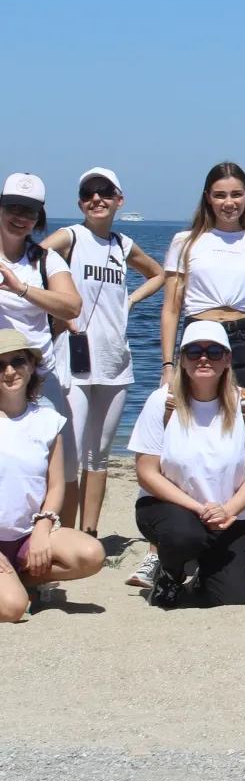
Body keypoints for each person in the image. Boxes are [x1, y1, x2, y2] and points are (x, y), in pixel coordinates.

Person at [129, 319, 245, 609]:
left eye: (214, 351)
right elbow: (146, 472)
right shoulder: (162, 402)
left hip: (228, 516)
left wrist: (228, 510)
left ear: (227, 358)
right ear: (182, 359)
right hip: (172, 509)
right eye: (194, 351)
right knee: (184, 535)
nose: (203, 358)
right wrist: (198, 508)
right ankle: (170, 573)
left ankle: (205, 574)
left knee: (233, 599)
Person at [41, 168, 165, 536]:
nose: (97, 199)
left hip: (115, 361)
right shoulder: (71, 237)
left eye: (105, 192)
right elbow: (33, 261)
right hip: (73, 360)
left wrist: (130, 301)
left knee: (99, 456)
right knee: (71, 455)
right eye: (88, 193)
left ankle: (88, 532)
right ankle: (63, 535)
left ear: (119, 200)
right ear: (80, 202)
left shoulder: (122, 245)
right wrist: (55, 308)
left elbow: (158, 274)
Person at [0, 327, 104, 621]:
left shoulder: (48, 420)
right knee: (13, 609)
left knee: (91, 554)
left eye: (17, 361)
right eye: (0, 364)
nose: (10, 371)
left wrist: (43, 529)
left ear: (31, 366)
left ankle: (21, 578)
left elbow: (56, 486)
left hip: (25, 534)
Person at [0, 175, 84, 523]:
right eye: (14, 208)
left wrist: (20, 289)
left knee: (60, 465)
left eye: (30, 212)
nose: (21, 218)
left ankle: (49, 542)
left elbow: (71, 306)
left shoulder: (46, 261)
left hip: (39, 374)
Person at [162, 162, 245, 395]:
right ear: (208, 198)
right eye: (219, 195)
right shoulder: (184, 243)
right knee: (194, 419)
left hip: (244, 339)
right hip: (199, 336)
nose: (229, 203)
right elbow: (171, 310)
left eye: (236, 195)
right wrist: (167, 367)